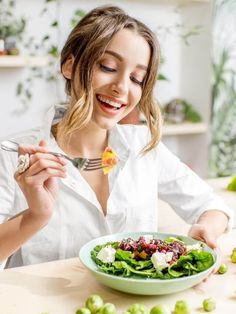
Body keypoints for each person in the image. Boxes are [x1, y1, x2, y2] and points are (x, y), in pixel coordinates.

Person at [0, 5, 233, 268]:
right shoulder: (13, 155)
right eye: (108, 67)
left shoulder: (143, 146)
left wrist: (207, 229)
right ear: (69, 65)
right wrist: (35, 216)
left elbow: (211, 204)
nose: (121, 87)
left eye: (136, 78)